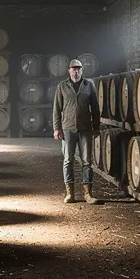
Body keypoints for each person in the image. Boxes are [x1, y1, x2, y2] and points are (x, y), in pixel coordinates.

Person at [52, 59, 101, 204]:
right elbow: (56, 109)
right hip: (68, 128)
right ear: (69, 70)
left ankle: (87, 194)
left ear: (82, 70)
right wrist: (56, 128)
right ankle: (70, 193)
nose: (76, 71)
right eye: (73, 69)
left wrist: (96, 127)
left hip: (85, 128)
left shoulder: (89, 85)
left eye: (78, 69)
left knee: (87, 162)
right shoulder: (62, 86)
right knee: (68, 161)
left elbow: (95, 108)